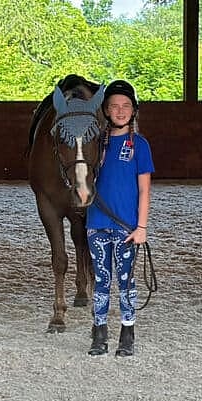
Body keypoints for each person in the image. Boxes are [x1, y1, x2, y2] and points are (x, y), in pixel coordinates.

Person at [85, 80, 154, 357]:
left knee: (125, 281)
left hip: (126, 228)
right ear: (105, 110)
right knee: (101, 280)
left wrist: (142, 227)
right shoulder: (94, 144)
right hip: (96, 224)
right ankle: (99, 330)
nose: (120, 110)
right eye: (114, 106)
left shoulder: (139, 145)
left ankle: (128, 331)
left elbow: (144, 189)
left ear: (134, 110)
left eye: (125, 105)